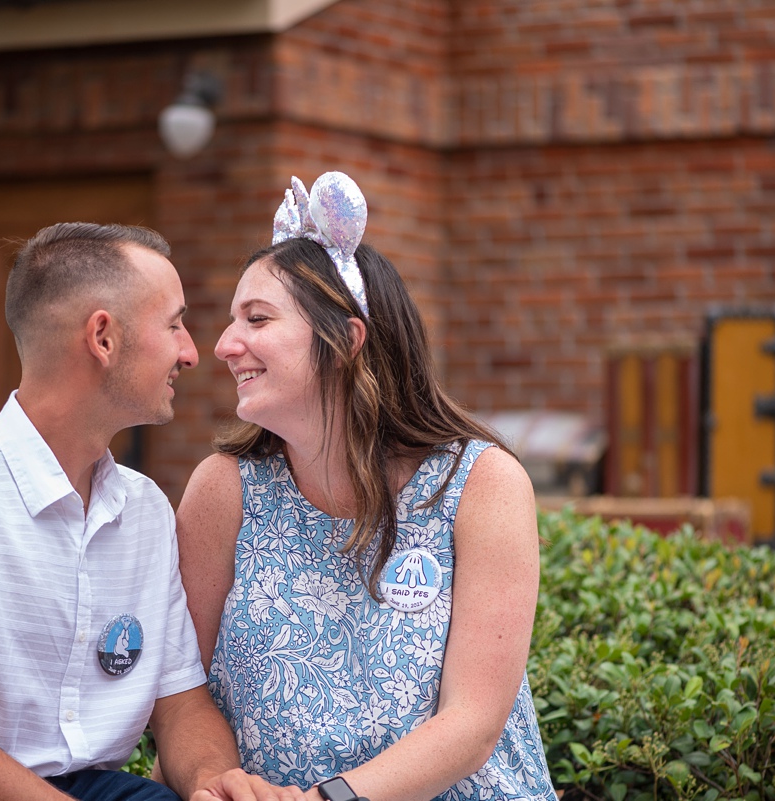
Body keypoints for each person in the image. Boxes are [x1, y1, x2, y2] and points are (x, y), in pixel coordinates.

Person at [0, 223, 295, 801]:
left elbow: (180, 702)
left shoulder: (144, 511)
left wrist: (211, 784)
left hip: (87, 788)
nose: (192, 352)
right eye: (173, 324)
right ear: (103, 337)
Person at [177, 174, 559, 801]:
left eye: (258, 319)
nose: (223, 346)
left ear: (344, 341)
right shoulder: (224, 490)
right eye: (230, 321)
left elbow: (472, 725)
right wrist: (220, 786)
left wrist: (331, 799)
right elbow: (184, 689)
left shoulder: (482, 483)